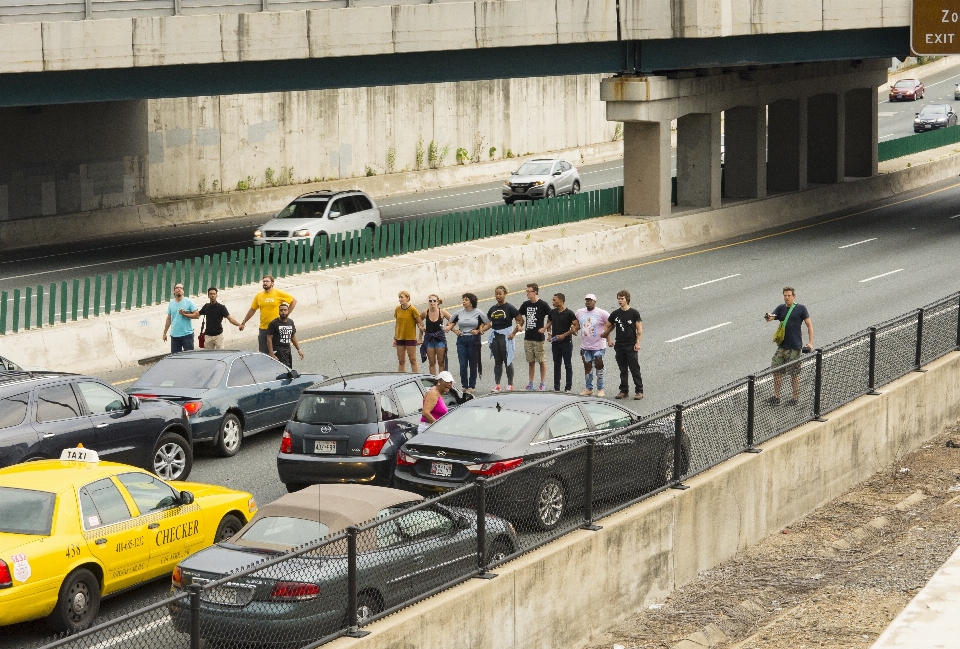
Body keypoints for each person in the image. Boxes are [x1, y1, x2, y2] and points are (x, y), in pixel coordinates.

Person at [764, 287, 814, 405]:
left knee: (794, 374)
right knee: (776, 370)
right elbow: (771, 317)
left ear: (794, 296)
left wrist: (810, 343)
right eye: (785, 296)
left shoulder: (801, 309)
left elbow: (809, 325)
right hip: (782, 346)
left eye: (788, 296)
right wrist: (768, 316)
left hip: (794, 347)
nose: (786, 298)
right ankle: (776, 397)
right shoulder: (781, 308)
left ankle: (795, 398)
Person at [602, 290, 644, 400]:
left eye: (622, 299)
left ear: (627, 299)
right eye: (618, 298)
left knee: (634, 368)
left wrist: (638, 343)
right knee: (622, 369)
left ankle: (639, 390)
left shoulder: (634, 313)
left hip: (631, 345)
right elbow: (607, 327)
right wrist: (609, 340)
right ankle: (624, 390)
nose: (620, 301)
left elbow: (639, 329)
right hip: (619, 345)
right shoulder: (615, 314)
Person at [240, 275, 296, 354]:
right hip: (264, 328)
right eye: (263, 281)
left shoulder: (278, 293)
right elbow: (252, 309)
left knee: (278, 352)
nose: (265, 283)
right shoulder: (259, 295)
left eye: (267, 281)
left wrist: (285, 315)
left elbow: (293, 301)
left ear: (272, 283)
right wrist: (243, 322)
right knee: (264, 353)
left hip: (277, 328)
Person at [445, 293, 490, 393]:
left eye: (466, 300)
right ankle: (464, 385)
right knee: (463, 364)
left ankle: (471, 386)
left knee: (473, 364)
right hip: (461, 340)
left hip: (473, 340)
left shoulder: (478, 312)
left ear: (471, 301)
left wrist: (478, 331)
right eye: (463, 300)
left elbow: (488, 324)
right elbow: (450, 322)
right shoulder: (459, 312)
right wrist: (454, 330)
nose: (463, 301)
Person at [484, 286, 520, 392]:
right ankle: (497, 385)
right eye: (496, 294)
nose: (498, 296)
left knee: (507, 360)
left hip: (506, 336)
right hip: (495, 336)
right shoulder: (493, 309)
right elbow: (487, 323)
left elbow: (520, 320)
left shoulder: (509, 308)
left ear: (505, 294)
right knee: (497, 361)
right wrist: (481, 330)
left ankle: (510, 384)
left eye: (500, 294)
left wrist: (514, 333)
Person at [517, 283, 552, 391]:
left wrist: (545, 329)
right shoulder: (526, 304)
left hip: (538, 338)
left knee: (541, 361)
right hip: (528, 337)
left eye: (529, 291)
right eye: (526, 291)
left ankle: (542, 383)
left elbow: (551, 317)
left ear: (535, 292)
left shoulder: (543, 304)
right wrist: (519, 325)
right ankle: (531, 383)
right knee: (531, 361)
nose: (527, 293)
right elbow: (518, 316)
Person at [576, 293, 611, 397]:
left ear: (595, 301)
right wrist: (573, 329)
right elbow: (576, 324)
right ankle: (588, 388)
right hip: (585, 346)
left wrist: (607, 338)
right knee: (587, 368)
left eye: (590, 300)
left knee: (599, 368)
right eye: (587, 300)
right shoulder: (580, 312)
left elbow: (611, 324)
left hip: (598, 346)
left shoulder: (602, 313)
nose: (588, 302)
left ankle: (600, 389)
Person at [545, 293, 579, 392]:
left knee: (567, 365)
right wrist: (549, 334)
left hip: (566, 343)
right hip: (555, 343)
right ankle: (557, 388)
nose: (553, 302)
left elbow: (576, 326)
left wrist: (564, 335)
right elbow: (548, 323)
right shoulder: (552, 312)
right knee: (556, 365)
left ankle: (568, 388)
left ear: (561, 301)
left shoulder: (569, 313)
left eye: (554, 300)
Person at [419, 294, 452, 375]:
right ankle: (433, 380)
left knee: (441, 362)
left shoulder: (442, 311)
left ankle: (441, 380)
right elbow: (418, 320)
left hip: (439, 339)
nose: (432, 302)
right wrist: (421, 327)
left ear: (437, 302)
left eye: (434, 301)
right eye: (430, 301)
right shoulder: (425, 312)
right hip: (429, 339)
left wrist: (448, 326)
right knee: (431, 362)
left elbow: (453, 318)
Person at [266, 302, 304, 368]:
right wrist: (271, 353)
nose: (283, 312)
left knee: (289, 369)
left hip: (287, 351)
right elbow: (269, 338)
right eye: (281, 310)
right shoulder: (274, 323)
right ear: (279, 312)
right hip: (278, 351)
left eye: (285, 310)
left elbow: (293, 337)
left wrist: (299, 350)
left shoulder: (290, 322)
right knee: (285, 371)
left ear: (288, 311)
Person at [162, 283, 197, 353]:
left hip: (187, 335)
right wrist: (164, 333)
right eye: (177, 288)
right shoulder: (171, 303)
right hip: (174, 335)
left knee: (189, 357)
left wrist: (185, 314)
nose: (179, 289)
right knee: (175, 358)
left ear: (183, 291)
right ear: (174, 291)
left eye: (181, 288)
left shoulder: (188, 301)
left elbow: (197, 315)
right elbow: (169, 319)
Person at [393, 290, 422, 372]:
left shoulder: (412, 309)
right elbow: (397, 323)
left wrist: (420, 337)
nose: (400, 299)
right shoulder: (397, 309)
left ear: (407, 298)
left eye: (402, 297)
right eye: (399, 297)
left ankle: (416, 377)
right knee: (401, 361)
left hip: (410, 337)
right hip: (399, 338)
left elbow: (420, 323)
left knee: (413, 360)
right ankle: (401, 379)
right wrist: (394, 338)